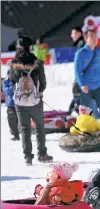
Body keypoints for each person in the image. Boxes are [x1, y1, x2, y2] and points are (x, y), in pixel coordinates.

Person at [10, 36, 53, 165]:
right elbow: (43, 82)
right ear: (30, 47)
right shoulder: (37, 62)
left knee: (24, 128)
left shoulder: (14, 63)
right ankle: (42, 154)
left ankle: (28, 157)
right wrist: (38, 93)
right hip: (35, 101)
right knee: (39, 127)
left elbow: (12, 81)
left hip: (19, 102)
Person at [74, 30, 100, 126]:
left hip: (98, 86)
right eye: (91, 37)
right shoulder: (80, 53)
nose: (94, 39)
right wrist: (82, 85)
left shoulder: (99, 51)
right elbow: (77, 71)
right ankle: (87, 129)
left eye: (95, 37)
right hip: (86, 88)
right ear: (85, 39)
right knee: (87, 111)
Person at [2, 69, 19, 141]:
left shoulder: (18, 81)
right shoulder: (5, 82)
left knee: (19, 120)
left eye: (12, 74)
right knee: (11, 120)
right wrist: (12, 85)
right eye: (10, 74)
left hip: (19, 104)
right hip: (10, 104)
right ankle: (15, 134)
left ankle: (17, 134)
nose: (11, 75)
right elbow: (7, 91)